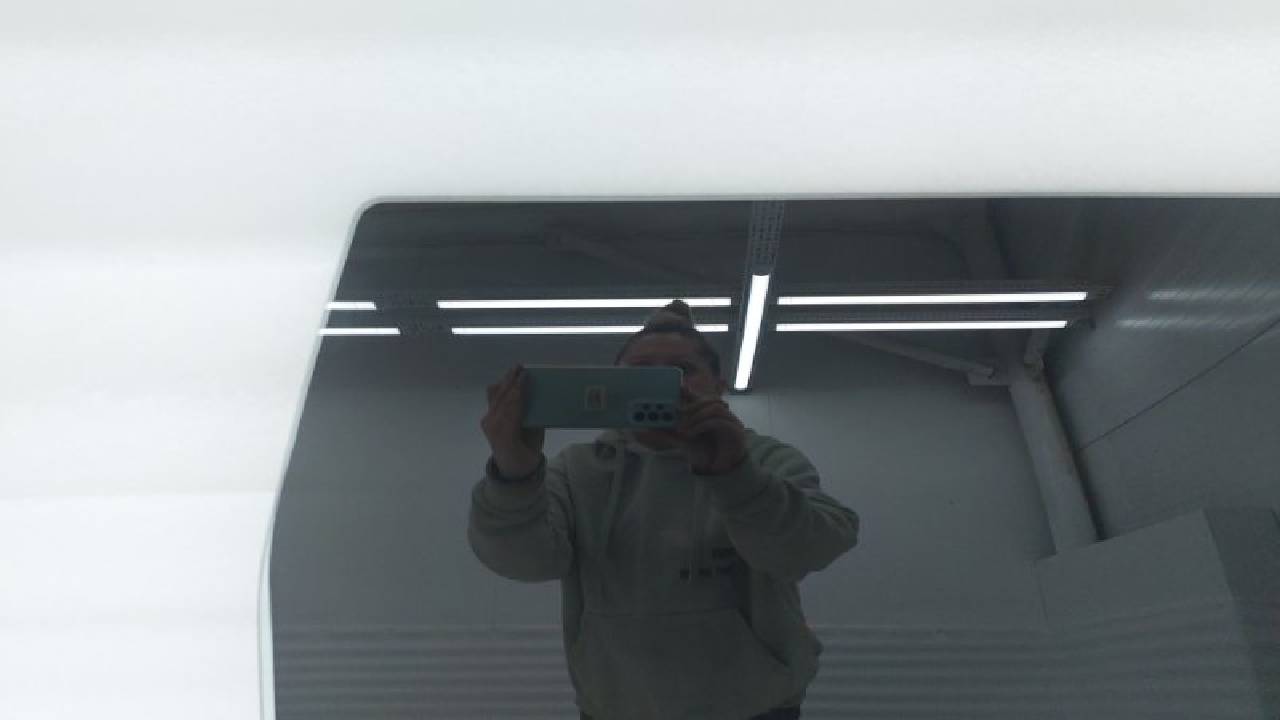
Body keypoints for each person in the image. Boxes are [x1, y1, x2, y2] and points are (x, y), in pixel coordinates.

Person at [468, 299, 860, 720]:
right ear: (614, 383)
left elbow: (808, 550)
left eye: (682, 370)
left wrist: (736, 475)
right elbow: (524, 562)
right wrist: (514, 470)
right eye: (640, 371)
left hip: (755, 709)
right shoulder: (577, 470)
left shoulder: (765, 458)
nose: (660, 383)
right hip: (616, 710)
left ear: (718, 386)